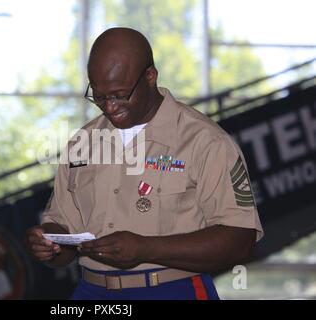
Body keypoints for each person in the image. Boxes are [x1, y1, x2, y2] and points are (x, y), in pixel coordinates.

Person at [24, 27, 263, 300]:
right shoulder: (83, 143)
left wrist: (146, 249)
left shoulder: (205, 141)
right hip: (91, 292)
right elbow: (64, 239)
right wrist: (50, 242)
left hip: (173, 290)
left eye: (119, 94)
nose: (109, 107)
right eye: (99, 96)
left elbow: (240, 242)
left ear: (150, 77)